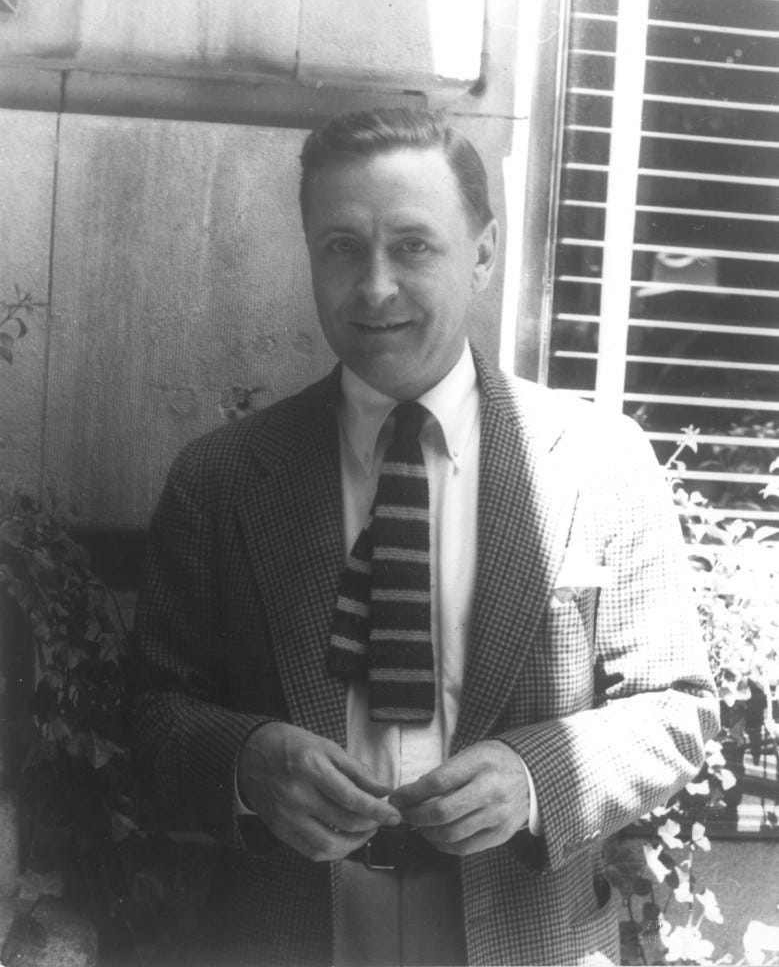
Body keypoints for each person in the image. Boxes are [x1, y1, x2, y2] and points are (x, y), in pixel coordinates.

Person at [131, 108, 719, 966]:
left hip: (522, 929)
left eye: (412, 245)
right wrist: (245, 761)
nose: (374, 288)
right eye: (342, 247)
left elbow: (676, 708)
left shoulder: (599, 461)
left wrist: (536, 777)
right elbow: (152, 713)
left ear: (481, 253)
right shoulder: (220, 478)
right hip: (288, 930)